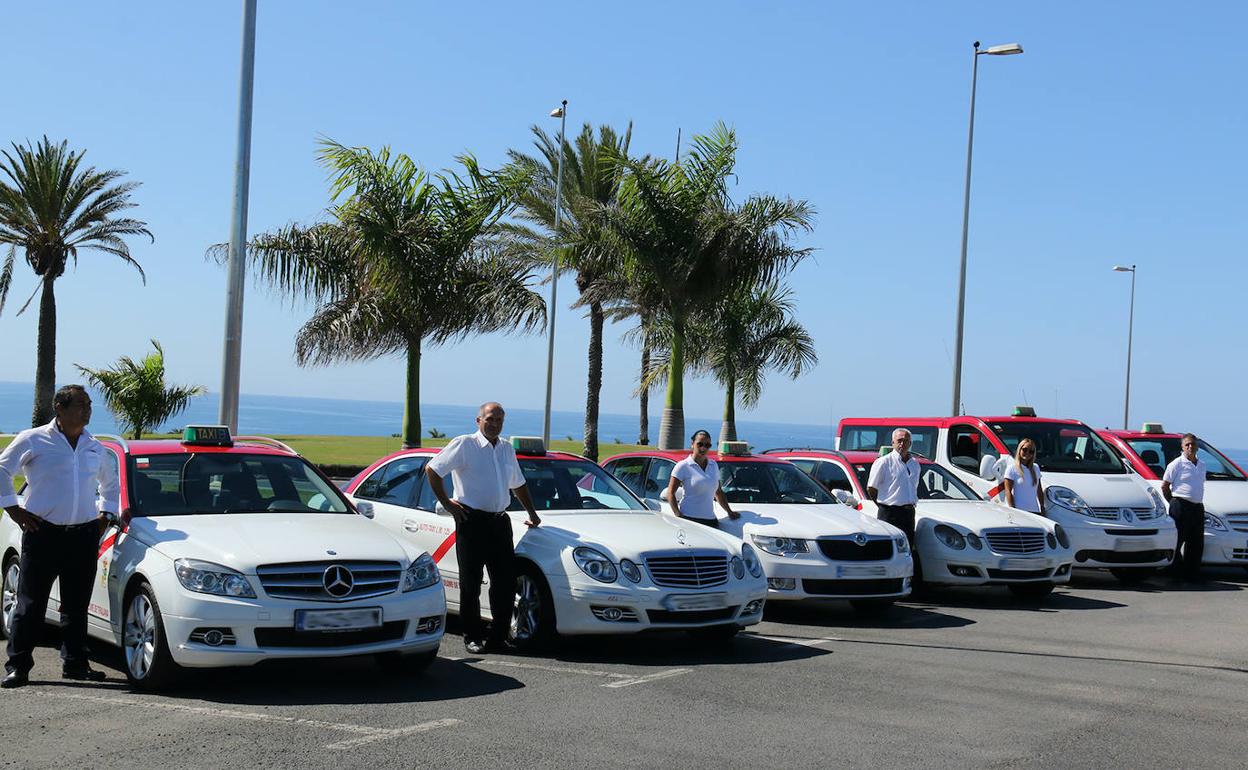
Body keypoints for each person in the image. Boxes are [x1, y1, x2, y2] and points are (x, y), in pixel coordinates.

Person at [0, 385, 119, 688]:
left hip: (83, 536)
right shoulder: (34, 439)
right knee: (30, 605)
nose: (87, 409)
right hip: (43, 535)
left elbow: (110, 483)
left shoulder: (93, 445)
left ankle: (76, 664)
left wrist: (105, 515)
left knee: (77, 606)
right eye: (80, 404)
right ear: (59, 408)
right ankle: (18, 665)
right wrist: (14, 509)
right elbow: (2, 469)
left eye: (89, 404)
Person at [425, 402, 541, 654]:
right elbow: (432, 470)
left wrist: (532, 513)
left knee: (504, 583)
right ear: (478, 420)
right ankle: (472, 637)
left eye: (500, 419)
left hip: (499, 522)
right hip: (471, 521)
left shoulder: (506, 449)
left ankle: (498, 638)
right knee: (471, 582)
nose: (495, 423)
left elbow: (518, 484)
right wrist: (448, 503)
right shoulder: (464, 444)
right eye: (490, 419)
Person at [667, 430, 740, 528]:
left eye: (707, 445)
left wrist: (729, 512)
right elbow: (670, 493)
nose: (703, 448)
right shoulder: (683, 466)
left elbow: (718, 492)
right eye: (700, 444)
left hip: (711, 521)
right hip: (689, 520)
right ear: (692, 444)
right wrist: (678, 515)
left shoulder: (713, 465)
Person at [1161, 433, 1206, 581]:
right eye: (1187, 444)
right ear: (1182, 446)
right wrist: (1173, 502)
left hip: (1197, 507)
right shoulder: (1176, 464)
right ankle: (1175, 572)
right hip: (1180, 505)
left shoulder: (1202, 465)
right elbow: (1165, 486)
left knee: (1196, 542)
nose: (1190, 447)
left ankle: (1192, 573)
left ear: (1197, 446)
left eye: (1193, 444)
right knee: (1177, 540)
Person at [866, 428, 920, 547]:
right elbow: (871, 488)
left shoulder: (915, 464)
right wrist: (883, 505)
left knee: (907, 548)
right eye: (899, 441)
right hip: (889, 513)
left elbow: (913, 487)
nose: (902, 444)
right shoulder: (884, 462)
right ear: (893, 443)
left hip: (908, 513)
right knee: (887, 548)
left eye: (906, 441)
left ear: (910, 444)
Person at [1003, 438, 1045, 515]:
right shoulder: (1012, 468)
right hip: (1019, 512)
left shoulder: (1035, 468)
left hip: (1035, 512)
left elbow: (1039, 490)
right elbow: (1008, 491)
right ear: (1020, 449)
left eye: (1031, 451)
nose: (1027, 453)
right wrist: (1013, 510)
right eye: (1025, 449)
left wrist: (1042, 507)